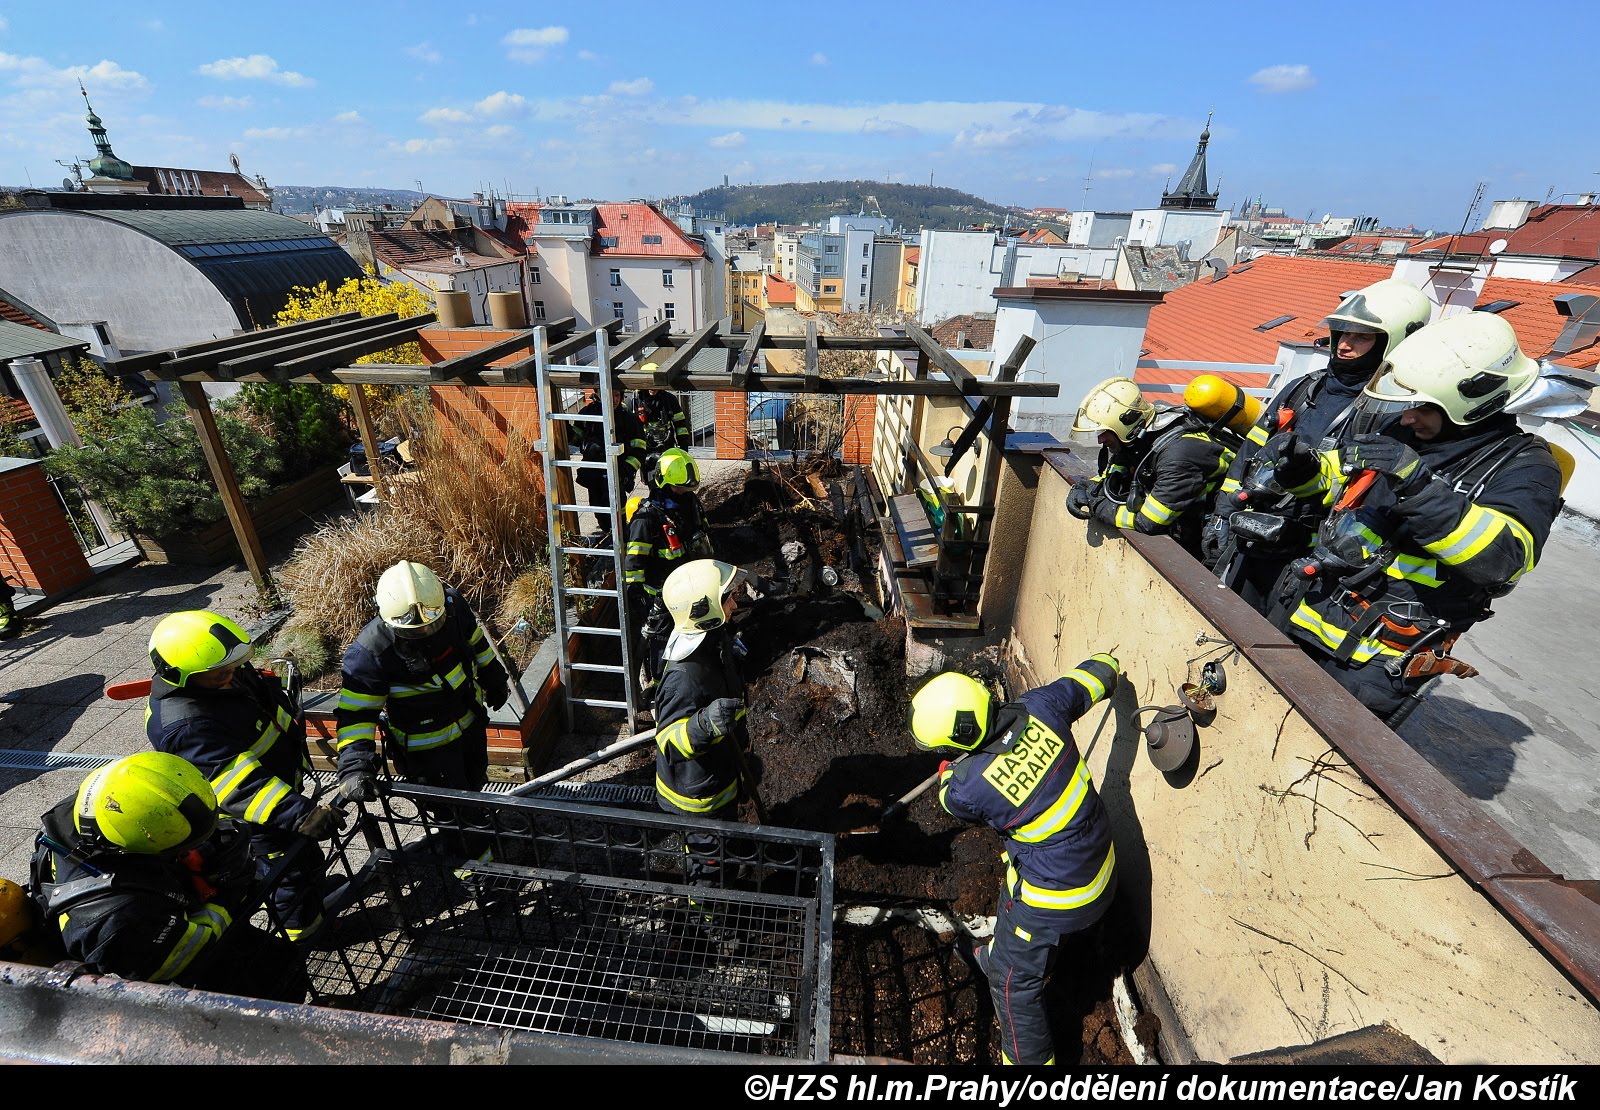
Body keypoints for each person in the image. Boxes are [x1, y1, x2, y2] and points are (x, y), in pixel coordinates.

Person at [1257, 312, 1563, 721]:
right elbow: (1340, 484)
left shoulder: (1526, 467)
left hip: (1376, 661)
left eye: (1423, 407)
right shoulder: (1405, 432)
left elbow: (1503, 561)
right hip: (1304, 609)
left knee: (1323, 758)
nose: (1406, 417)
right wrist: (1303, 470)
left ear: (1472, 404)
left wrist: (1417, 486)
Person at [908, 653, 1122, 1065]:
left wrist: (950, 770)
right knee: (1012, 891)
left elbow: (950, 796)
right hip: (1102, 864)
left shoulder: (966, 788)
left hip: (1061, 897)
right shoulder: (1041, 706)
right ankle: (996, 954)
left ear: (959, 740)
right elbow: (1090, 680)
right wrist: (1108, 667)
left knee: (1012, 988)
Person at [1205, 278, 1432, 612]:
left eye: (1362, 337)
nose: (1344, 345)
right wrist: (1222, 513)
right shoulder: (1304, 389)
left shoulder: (1397, 413)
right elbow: (1251, 452)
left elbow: (1374, 498)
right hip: (1255, 538)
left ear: (1393, 344)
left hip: (1315, 563)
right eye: (1342, 332)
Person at [29, 752, 307, 1001]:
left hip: (148, 910)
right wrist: (228, 898)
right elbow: (185, 954)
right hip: (187, 975)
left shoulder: (98, 806)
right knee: (275, 974)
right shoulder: (119, 921)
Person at [146, 610, 337, 944]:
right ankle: (307, 937)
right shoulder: (188, 726)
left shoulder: (216, 676)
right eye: (219, 673)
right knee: (286, 877)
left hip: (280, 795)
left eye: (233, 666)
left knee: (303, 859)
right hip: (256, 820)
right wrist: (300, 814)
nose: (231, 675)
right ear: (180, 676)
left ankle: (316, 892)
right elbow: (236, 785)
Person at [334, 561, 510, 813]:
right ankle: (471, 849)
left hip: (469, 724)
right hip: (427, 752)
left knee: (474, 785)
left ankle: (479, 827)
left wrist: (494, 677)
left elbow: (476, 643)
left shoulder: (454, 609)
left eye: (432, 624)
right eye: (414, 631)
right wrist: (354, 766)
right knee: (450, 812)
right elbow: (356, 715)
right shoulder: (370, 653)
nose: (426, 632)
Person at [652, 559, 751, 916]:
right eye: (727, 598)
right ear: (704, 609)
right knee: (708, 866)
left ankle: (725, 895)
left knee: (725, 854)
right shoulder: (684, 677)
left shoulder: (713, 640)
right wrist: (705, 724)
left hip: (721, 776)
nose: (735, 604)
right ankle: (711, 921)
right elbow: (667, 742)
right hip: (697, 798)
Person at [1065, 376, 1235, 559]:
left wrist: (1098, 507)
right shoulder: (1138, 438)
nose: (1101, 440)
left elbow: (1148, 521)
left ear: (1126, 423)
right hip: (1190, 516)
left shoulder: (1178, 457)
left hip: (1221, 531)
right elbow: (1114, 475)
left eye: (1105, 432)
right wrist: (1084, 486)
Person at [624, 448, 716, 693]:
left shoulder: (690, 505)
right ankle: (660, 688)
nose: (685, 494)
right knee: (661, 644)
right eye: (680, 489)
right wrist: (638, 596)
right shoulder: (647, 518)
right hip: (660, 596)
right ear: (664, 484)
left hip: (693, 585)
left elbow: (704, 534)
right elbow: (634, 562)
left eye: (689, 489)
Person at [575, 386, 647, 539]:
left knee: (618, 509)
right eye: (610, 395)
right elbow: (576, 438)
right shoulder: (587, 414)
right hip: (594, 473)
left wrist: (626, 470)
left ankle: (620, 538)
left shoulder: (628, 417)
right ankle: (608, 534)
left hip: (617, 472)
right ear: (599, 394)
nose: (614, 399)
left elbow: (639, 448)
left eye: (617, 395)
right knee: (599, 510)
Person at [632, 369, 692, 477]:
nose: (653, 388)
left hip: (666, 446)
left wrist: (684, 450)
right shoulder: (635, 401)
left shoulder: (669, 400)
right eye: (650, 384)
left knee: (668, 476)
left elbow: (681, 426)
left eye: (656, 384)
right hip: (646, 449)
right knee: (651, 480)